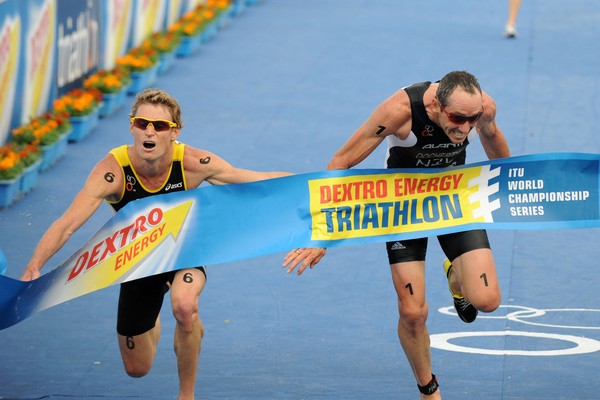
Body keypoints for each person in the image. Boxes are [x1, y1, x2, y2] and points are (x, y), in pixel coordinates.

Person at [20, 88, 308, 400]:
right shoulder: (112, 172)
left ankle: (187, 394)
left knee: (185, 306)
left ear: (174, 133)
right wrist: (34, 266)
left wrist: (310, 187)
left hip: (183, 252)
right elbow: (67, 225)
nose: (149, 131)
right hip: (137, 261)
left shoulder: (193, 163)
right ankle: (153, 314)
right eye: (142, 123)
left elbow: (254, 179)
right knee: (137, 368)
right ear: (132, 126)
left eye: (159, 126)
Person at [284, 71, 510, 399]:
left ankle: (456, 278)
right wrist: (322, 233)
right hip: (404, 207)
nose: (464, 128)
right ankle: (428, 387)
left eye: (471, 120)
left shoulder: (482, 109)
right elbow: (341, 160)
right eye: (457, 119)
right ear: (436, 105)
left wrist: (514, 182)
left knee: (487, 302)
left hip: (454, 200)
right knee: (413, 312)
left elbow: (493, 140)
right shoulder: (400, 111)